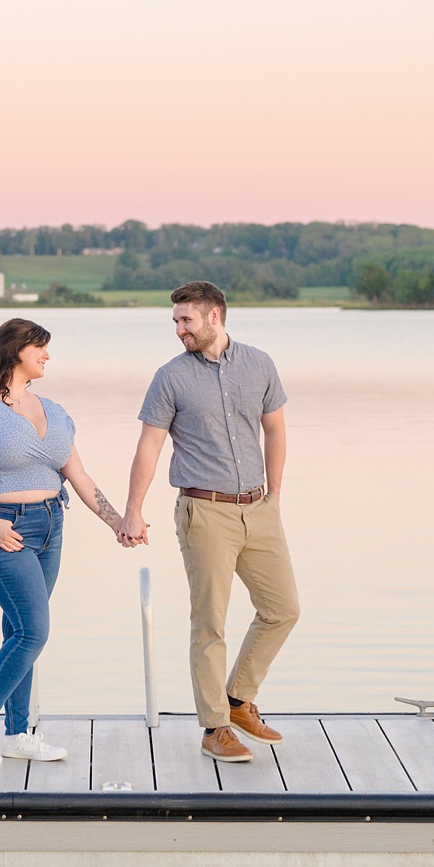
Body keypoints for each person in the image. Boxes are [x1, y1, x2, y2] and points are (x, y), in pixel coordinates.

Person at [117, 280, 298, 763]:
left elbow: (275, 427)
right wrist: (134, 509)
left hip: (259, 509)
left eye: (186, 321)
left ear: (214, 316)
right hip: (205, 511)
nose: (179, 330)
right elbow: (150, 446)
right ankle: (215, 727)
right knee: (210, 622)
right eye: (176, 322)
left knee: (283, 609)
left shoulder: (260, 364)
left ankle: (238, 701)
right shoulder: (170, 377)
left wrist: (275, 495)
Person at [0, 316, 129, 765]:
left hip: (51, 525)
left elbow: (77, 474)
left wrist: (118, 521)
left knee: (18, 630)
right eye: (40, 347)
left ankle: (16, 733)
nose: (47, 356)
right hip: (4, 529)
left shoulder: (54, 411)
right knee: (33, 631)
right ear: (14, 351)